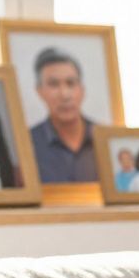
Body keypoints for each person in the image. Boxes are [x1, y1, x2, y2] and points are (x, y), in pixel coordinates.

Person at [28, 47, 98, 184]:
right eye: (54, 84)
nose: (64, 95)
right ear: (39, 91)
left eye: (71, 83)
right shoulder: (26, 144)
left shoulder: (106, 140)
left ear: (82, 90)